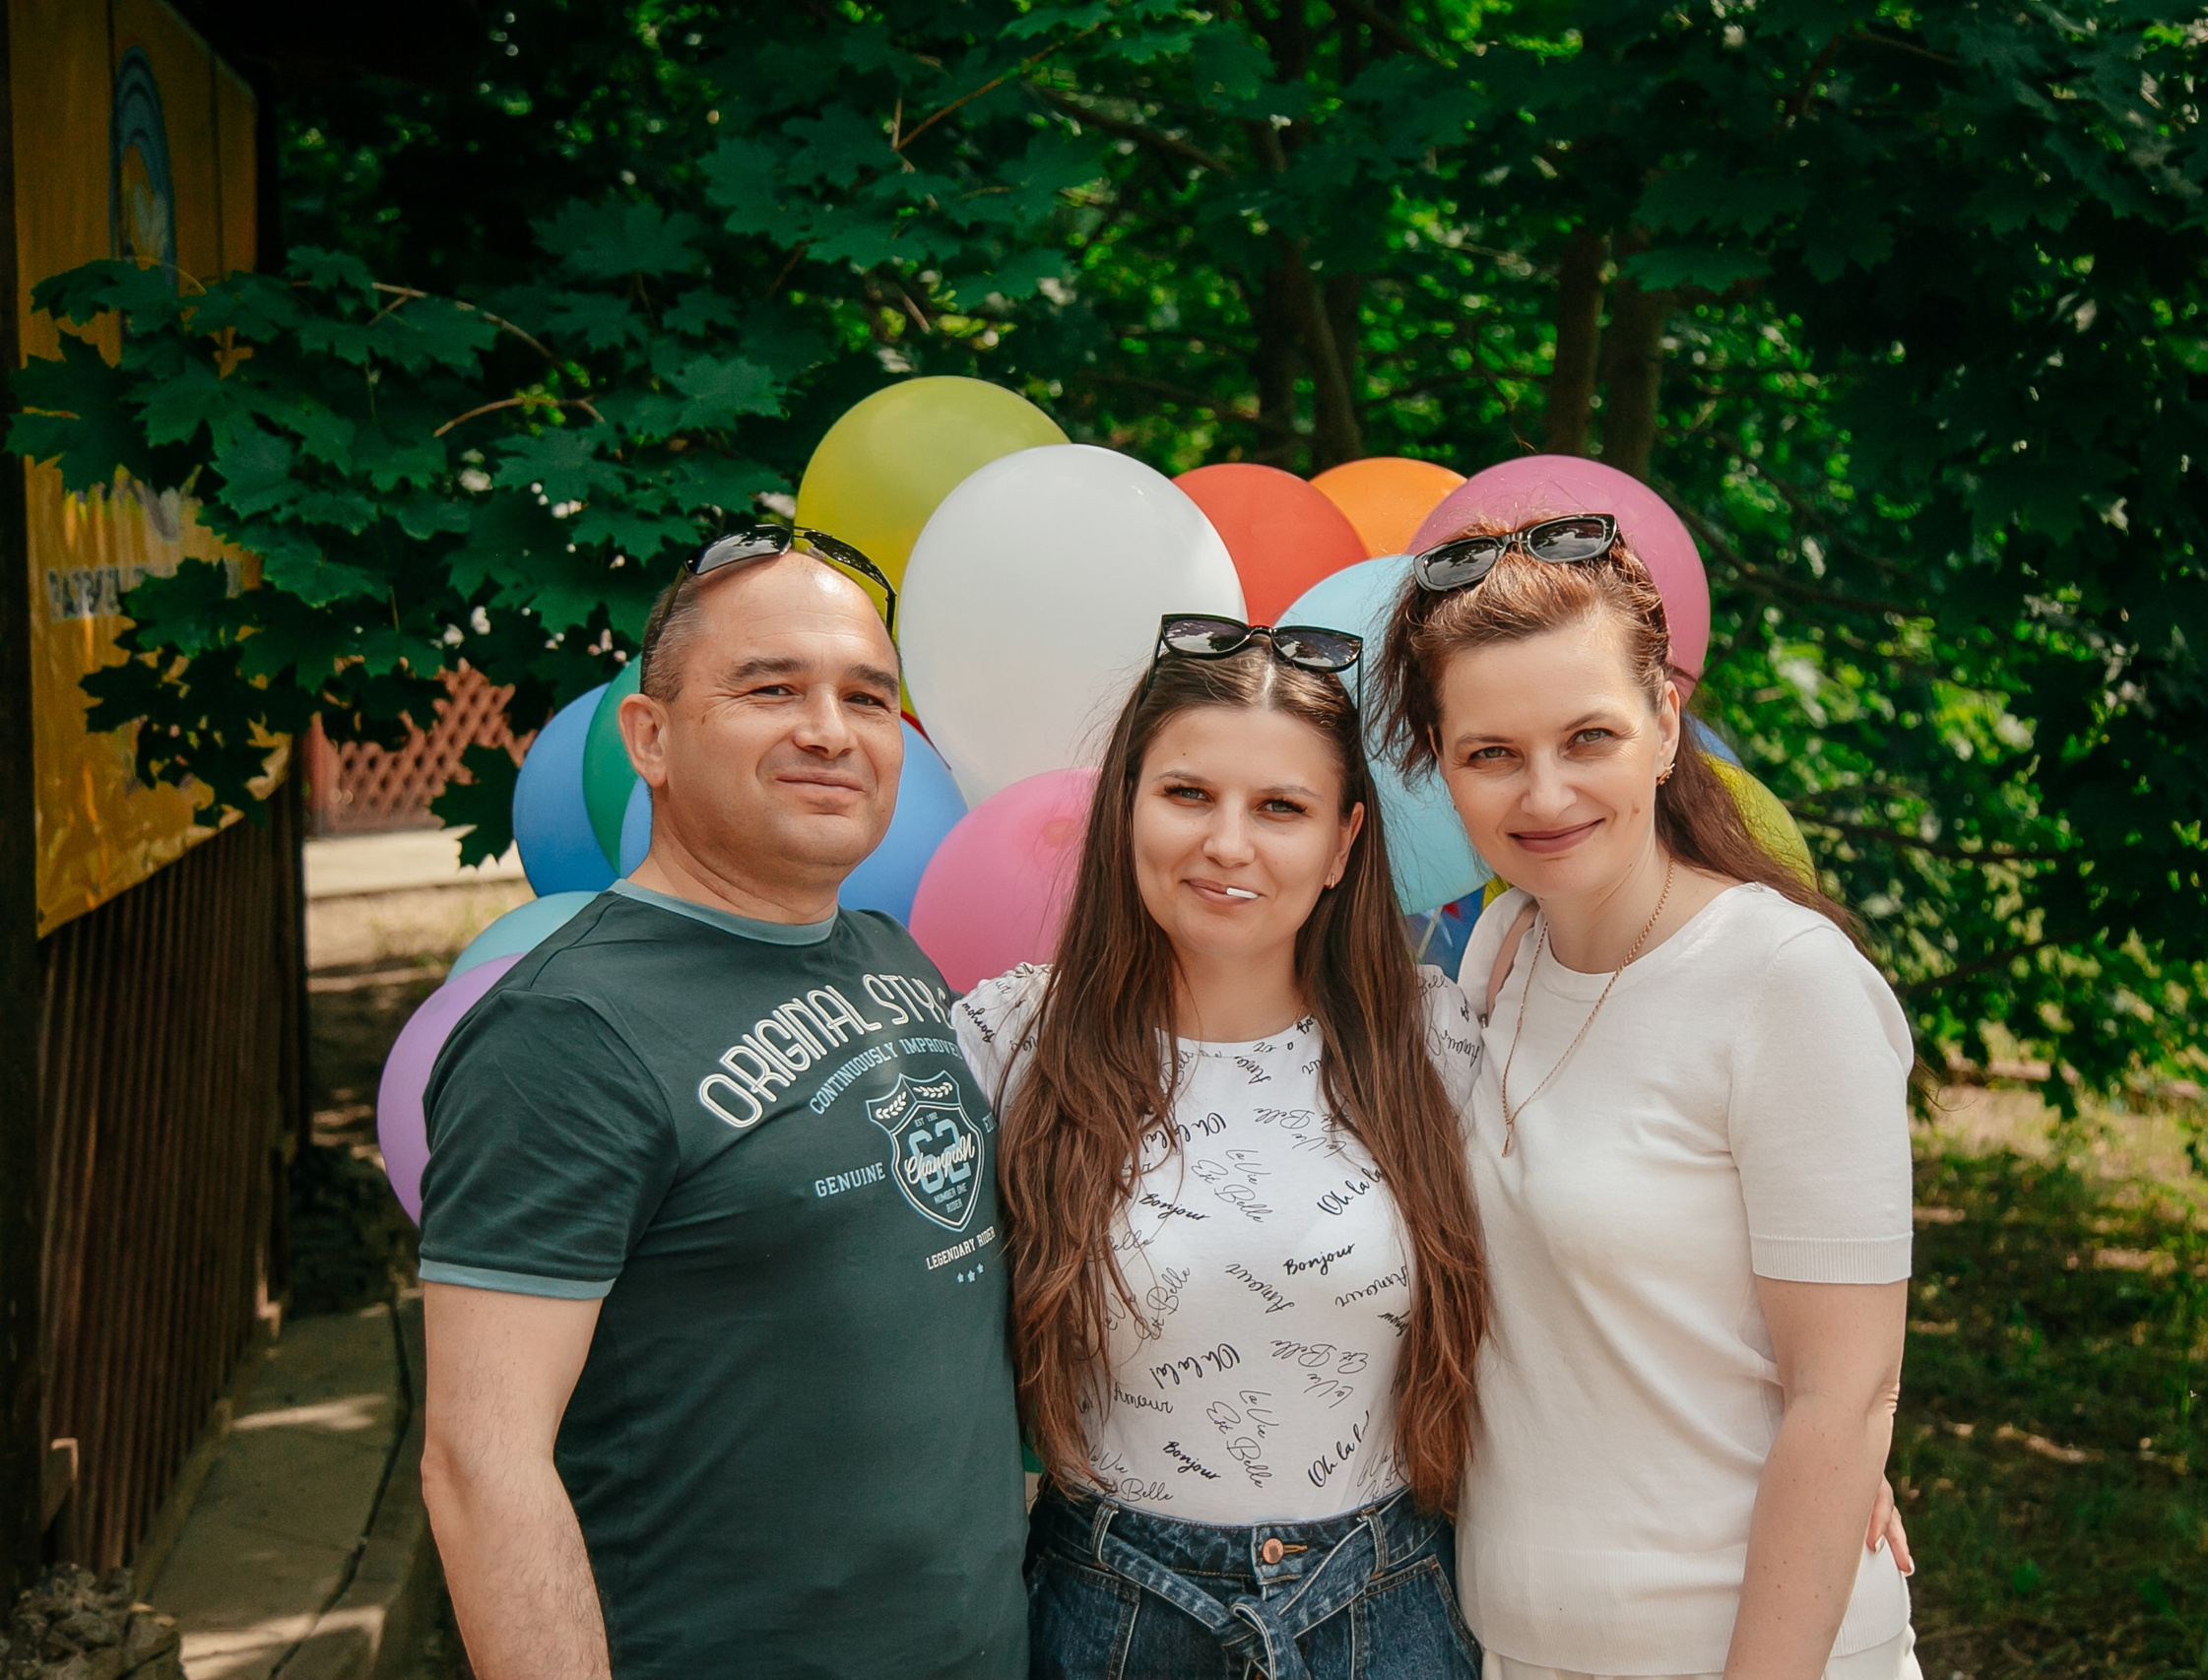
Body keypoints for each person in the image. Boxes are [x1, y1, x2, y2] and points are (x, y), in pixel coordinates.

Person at [416, 529, 1027, 1680]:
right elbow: (477, 1460)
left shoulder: (888, 954)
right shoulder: (565, 1030)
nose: (830, 729)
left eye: (866, 695)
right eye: (770, 688)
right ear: (648, 736)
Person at [1378, 514, 1923, 1680]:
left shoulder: (1787, 984)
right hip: (1520, 1641)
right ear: (1437, 762)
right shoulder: (1502, 953)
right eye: (1491, 753)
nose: (1544, 792)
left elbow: (1843, 1393)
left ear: (1666, 724)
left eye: (1589, 737)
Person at [951, 614, 1488, 1680]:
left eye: (1280, 807)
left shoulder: (1432, 1039)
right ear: (1125, 809)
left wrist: (1829, 1407)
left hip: (1386, 1606)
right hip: (1113, 1614)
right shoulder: (1009, 1041)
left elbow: (1605, 1258)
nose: (1227, 843)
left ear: (1342, 843)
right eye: (1187, 793)